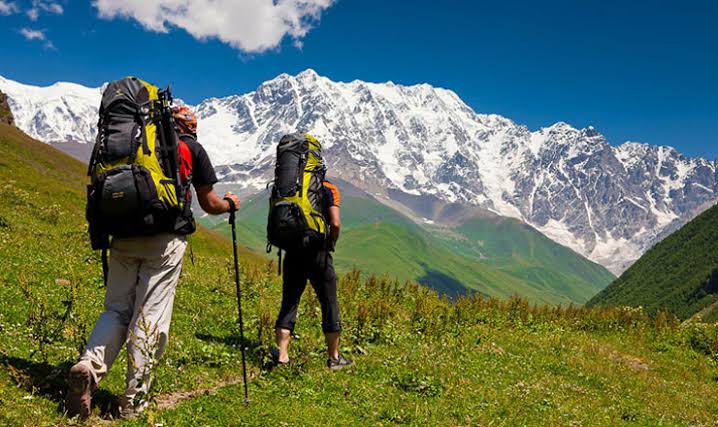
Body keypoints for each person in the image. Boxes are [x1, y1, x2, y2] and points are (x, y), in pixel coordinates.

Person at [66, 106, 240, 419]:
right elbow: (209, 202)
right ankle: (134, 403)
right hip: (164, 240)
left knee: (116, 310)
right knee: (149, 318)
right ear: (191, 127)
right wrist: (229, 204)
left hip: (121, 236)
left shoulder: (132, 145)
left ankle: (88, 368)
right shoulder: (190, 147)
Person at [274, 176, 353, 370]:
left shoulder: (289, 186)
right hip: (319, 253)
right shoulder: (328, 188)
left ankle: (282, 355)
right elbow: (335, 224)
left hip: (293, 251)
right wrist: (331, 243)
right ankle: (334, 358)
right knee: (329, 303)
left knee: (290, 302)